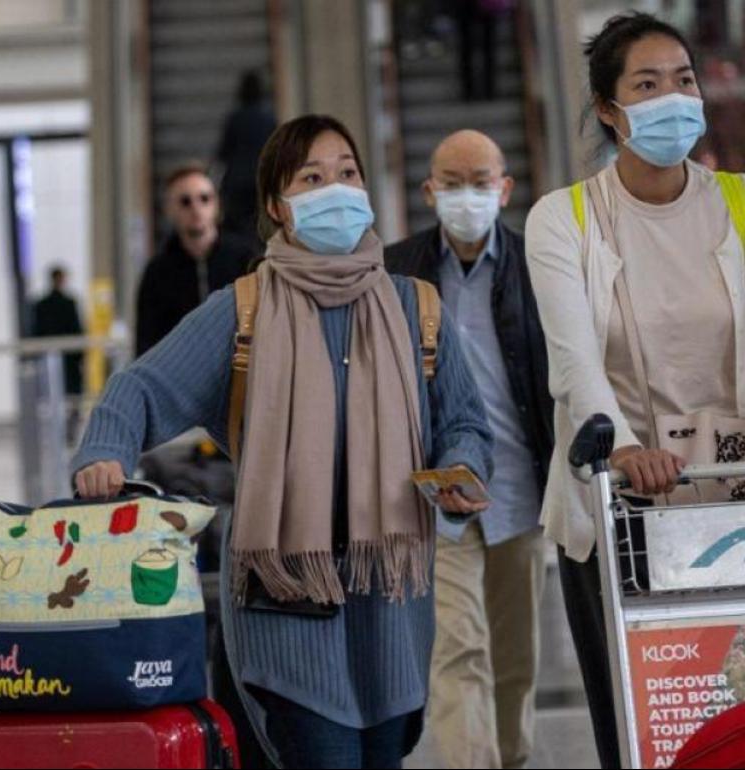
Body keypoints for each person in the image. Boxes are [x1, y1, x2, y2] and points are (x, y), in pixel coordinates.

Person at [75, 114, 494, 769]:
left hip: (390, 607)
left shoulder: (416, 307)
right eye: (313, 177)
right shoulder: (242, 311)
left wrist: (462, 466)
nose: (337, 188)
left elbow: (464, 422)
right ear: (278, 206)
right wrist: (105, 451)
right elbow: (141, 388)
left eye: (347, 173)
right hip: (284, 606)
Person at [525, 13, 745, 768]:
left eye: (683, 81)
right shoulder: (566, 219)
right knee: (643, 727)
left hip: (733, 500)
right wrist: (620, 448)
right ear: (610, 111)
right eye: (646, 86)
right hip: (625, 512)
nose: (672, 99)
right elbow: (574, 362)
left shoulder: (741, 205)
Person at [386, 129, 554, 769]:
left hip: (518, 489)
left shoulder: (537, 265)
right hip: (437, 497)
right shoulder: (399, 274)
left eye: (479, 181)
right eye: (451, 182)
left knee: (515, 655)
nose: (466, 195)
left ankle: (510, 755)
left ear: (504, 188)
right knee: (456, 648)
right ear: (429, 191)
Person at [135, 165, 253, 357]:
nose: (196, 207)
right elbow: (146, 345)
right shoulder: (157, 274)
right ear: (169, 209)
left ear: (216, 204)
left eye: (204, 198)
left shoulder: (245, 259)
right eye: (185, 201)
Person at [215, 69, 278, 247]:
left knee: (237, 230)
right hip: (262, 183)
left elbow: (223, 154)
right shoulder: (269, 119)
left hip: (237, 184)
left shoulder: (235, 119)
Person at [31, 266, 84, 398]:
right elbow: (76, 330)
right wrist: (80, 356)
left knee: (50, 393)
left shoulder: (41, 305)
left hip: (49, 355)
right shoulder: (69, 303)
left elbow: (37, 332)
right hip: (68, 359)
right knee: (70, 394)